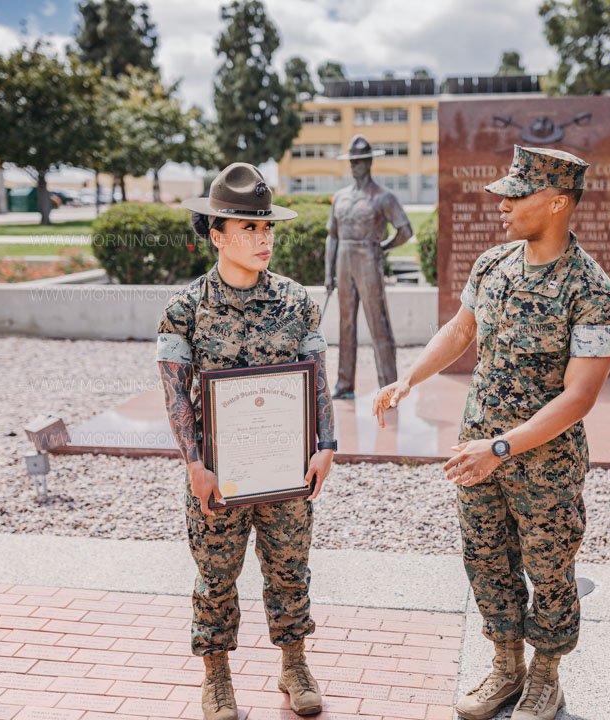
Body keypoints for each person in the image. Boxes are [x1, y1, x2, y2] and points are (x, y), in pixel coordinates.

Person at [373, 146, 610, 720]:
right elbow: (461, 329)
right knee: (486, 559)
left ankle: (545, 674)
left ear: (559, 202)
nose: (503, 204)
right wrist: (408, 377)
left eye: (518, 194)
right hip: (476, 453)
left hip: (542, 466)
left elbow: (580, 396)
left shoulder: (593, 292)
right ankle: (506, 666)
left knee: (549, 569)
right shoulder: (493, 264)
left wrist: (502, 448)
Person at [156, 162, 337, 720]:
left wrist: (326, 443)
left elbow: (317, 375)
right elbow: (176, 394)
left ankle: (294, 663)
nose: (263, 239)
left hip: (285, 470)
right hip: (219, 471)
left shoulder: (297, 300)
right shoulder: (184, 310)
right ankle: (216, 675)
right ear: (216, 233)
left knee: (289, 566)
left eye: (267, 227)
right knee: (216, 574)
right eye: (248, 228)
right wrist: (194, 464)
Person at [325, 134, 413, 399]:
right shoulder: (340, 197)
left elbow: (405, 230)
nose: (355, 166)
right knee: (346, 324)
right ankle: (344, 384)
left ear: (369, 162)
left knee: (378, 324)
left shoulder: (383, 197)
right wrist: (328, 272)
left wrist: (383, 247)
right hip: (343, 259)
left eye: (360, 161)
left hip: (368, 257)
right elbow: (333, 235)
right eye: (352, 161)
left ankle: (389, 386)